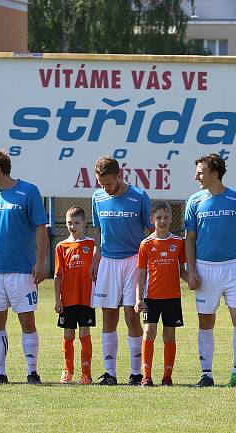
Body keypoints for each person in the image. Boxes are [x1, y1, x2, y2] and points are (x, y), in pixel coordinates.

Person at [184, 153, 236, 387]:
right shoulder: (194, 201)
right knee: (206, 322)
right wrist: (191, 270)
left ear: (214, 173)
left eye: (200, 172)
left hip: (234, 268)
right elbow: (189, 239)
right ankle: (207, 375)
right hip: (205, 270)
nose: (196, 176)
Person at [0, 149, 48, 385]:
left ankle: (32, 372)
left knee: (27, 321)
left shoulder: (28, 191)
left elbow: (40, 227)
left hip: (22, 270)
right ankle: (0, 373)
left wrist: (40, 261)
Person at [91, 155, 152, 386]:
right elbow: (99, 233)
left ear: (119, 175)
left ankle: (137, 373)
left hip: (133, 261)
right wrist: (96, 259)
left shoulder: (139, 197)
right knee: (108, 315)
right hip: (108, 262)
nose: (105, 188)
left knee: (131, 315)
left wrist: (147, 263)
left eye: (108, 183)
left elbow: (151, 230)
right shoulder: (97, 197)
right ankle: (110, 373)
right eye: (100, 183)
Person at [134, 201, 187, 387]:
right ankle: (146, 376)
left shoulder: (179, 243)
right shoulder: (146, 244)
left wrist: (192, 279)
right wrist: (138, 298)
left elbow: (182, 269)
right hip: (151, 297)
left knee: (169, 335)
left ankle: (167, 376)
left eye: (165, 217)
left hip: (172, 297)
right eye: (158, 218)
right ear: (152, 220)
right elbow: (140, 273)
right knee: (148, 331)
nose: (162, 221)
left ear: (171, 219)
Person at [54, 206, 98, 385]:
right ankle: (67, 371)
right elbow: (58, 276)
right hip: (68, 299)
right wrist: (58, 300)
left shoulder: (92, 244)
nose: (72, 226)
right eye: (69, 223)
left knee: (85, 333)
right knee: (69, 335)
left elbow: (98, 260)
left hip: (86, 299)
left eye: (76, 223)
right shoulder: (61, 246)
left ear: (84, 223)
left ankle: (86, 374)